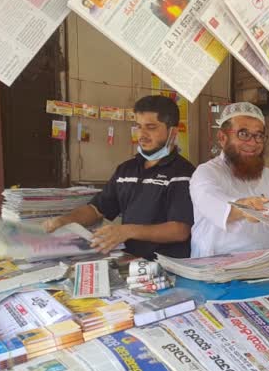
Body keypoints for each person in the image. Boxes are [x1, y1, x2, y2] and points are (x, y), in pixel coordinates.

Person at [44, 95, 194, 259]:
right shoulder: (126, 170)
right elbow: (97, 209)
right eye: (138, 126)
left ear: (173, 132)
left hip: (169, 268)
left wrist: (127, 231)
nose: (142, 134)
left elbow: (180, 230)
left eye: (151, 127)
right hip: (130, 263)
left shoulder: (183, 173)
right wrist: (65, 221)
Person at [188, 102, 269, 265]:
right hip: (215, 272)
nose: (253, 143)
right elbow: (213, 203)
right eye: (243, 134)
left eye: (259, 135)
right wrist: (244, 208)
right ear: (222, 138)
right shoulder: (206, 173)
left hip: (266, 270)